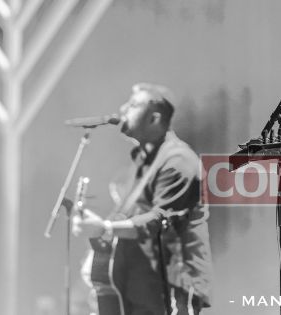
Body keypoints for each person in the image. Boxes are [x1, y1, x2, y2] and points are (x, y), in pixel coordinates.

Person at [74, 83, 213, 314]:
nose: (123, 109)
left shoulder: (178, 160)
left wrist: (105, 227)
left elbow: (158, 221)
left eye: (133, 105)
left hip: (173, 285)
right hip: (141, 285)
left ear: (154, 118)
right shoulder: (142, 161)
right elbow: (132, 217)